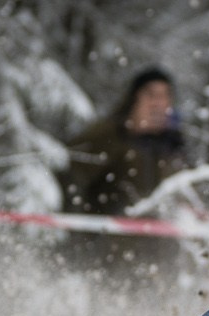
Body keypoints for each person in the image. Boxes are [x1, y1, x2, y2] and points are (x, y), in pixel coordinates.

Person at [62, 67, 186, 215]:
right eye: (151, 95)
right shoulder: (106, 135)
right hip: (103, 231)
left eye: (164, 96)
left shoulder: (173, 148)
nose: (158, 104)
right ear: (134, 99)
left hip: (154, 235)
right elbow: (70, 178)